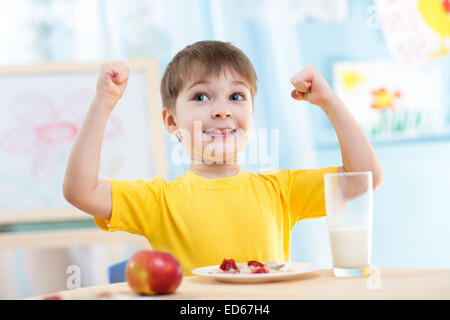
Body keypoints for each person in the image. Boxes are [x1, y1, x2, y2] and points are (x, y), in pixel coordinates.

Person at [63, 40, 383, 275]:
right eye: (201, 96)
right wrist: (103, 102)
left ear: (252, 113)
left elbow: (364, 178)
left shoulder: (281, 192)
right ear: (171, 121)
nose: (222, 109)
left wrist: (329, 102)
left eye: (236, 96)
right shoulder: (158, 200)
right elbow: (80, 191)